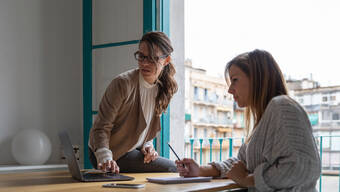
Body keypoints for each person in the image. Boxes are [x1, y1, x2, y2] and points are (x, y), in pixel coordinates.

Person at [176, 49, 321, 191]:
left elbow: (302, 167)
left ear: (257, 78)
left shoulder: (282, 107)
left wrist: (247, 180)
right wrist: (200, 170)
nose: (230, 89)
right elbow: (241, 164)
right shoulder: (264, 119)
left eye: (235, 80)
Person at [89, 31, 178, 173]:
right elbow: (101, 127)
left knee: (172, 169)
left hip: (131, 150)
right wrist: (105, 157)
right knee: (172, 168)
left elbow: (145, 126)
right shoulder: (123, 84)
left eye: (152, 59)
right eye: (142, 56)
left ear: (166, 60)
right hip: (108, 154)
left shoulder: (165, 88)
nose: (145, 63)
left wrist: (148, 146)